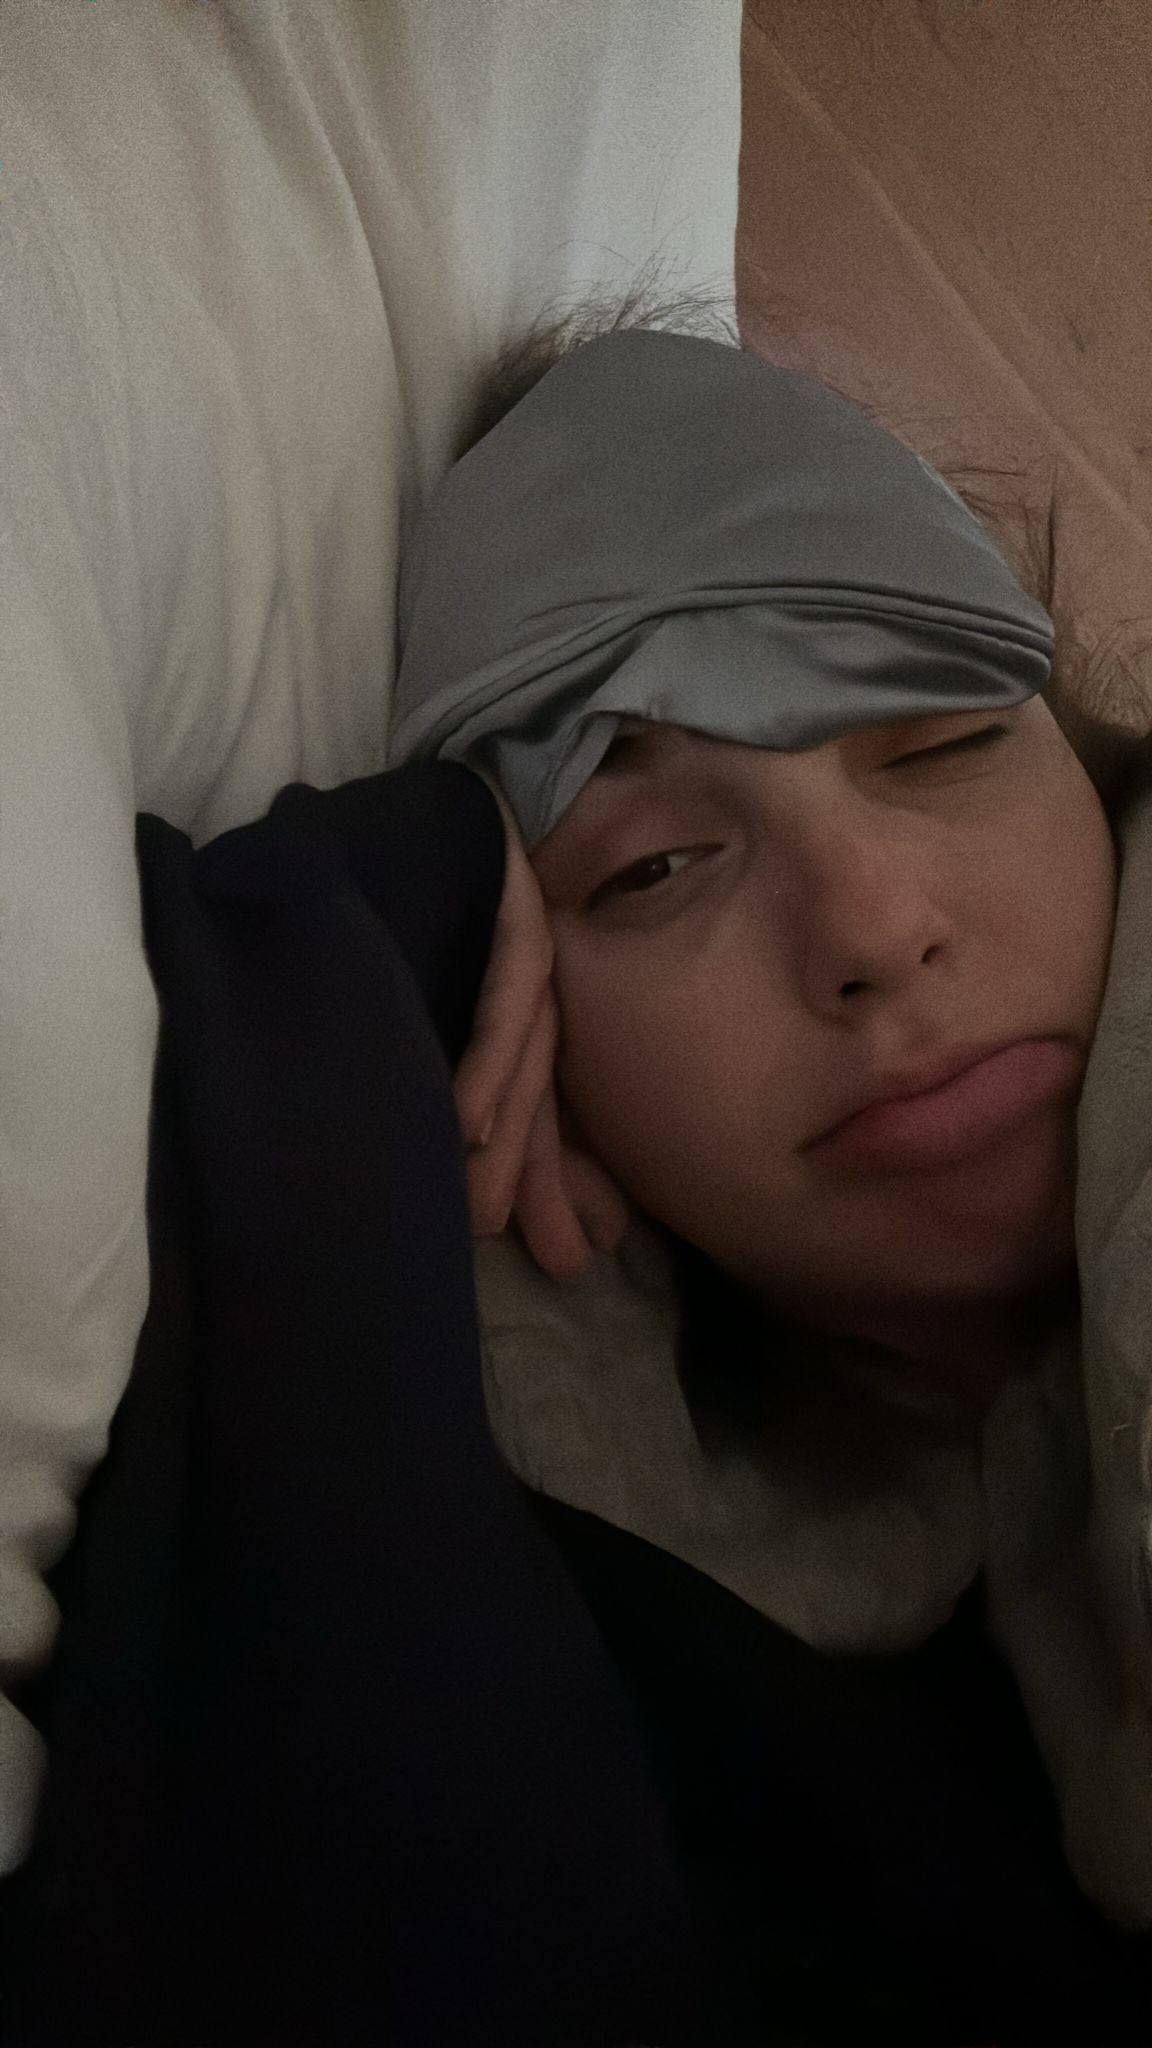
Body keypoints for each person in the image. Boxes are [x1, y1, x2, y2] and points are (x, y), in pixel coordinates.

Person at [388, 317, 1152, 2042]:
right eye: (654, 865)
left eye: (943, 741)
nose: (876, 927)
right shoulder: (594, 1698)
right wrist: (390, 891)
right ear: (528, 1043)